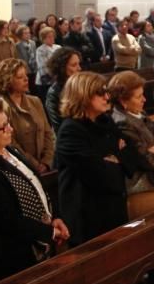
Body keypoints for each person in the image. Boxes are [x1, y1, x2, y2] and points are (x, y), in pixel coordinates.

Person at [0, 96, 69, 281]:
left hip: (37, 238)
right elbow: (8, 220)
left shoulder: (11, 151)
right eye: (3, 127)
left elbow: (38, 188)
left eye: (8, 123)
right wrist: (49, 232)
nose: (10, 129)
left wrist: (55, 217)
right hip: (13, 254)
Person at [54, 72, 138, 246]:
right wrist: (116, 156)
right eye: (100, 93)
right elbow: (98, 174)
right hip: (88, 214)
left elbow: (132, 151)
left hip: (112, 205)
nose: (107, 97)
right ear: (83, 96)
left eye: (106, 91)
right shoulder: (70, 131)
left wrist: (114, 158)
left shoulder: (104, 120)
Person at [108, 71, 154, 218]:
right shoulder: (122, 121)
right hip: (142, 187)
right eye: (139, 96)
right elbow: (145, 160)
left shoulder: (139, 113)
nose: (144, 100)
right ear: (123, 101)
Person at [0, 58, 55, 174]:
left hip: (47, 167)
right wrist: (35, 165)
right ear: (8, 80)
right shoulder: (1, 107)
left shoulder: (35, 101)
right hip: (22, 169)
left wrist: (47, 161)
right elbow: (11, 144)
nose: (26, 79)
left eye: (26, 75)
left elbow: (48, 132)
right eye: (20, 77)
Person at [44, 47, 82, 133]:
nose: (79, 68)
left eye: (79, 64)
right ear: (62, 67)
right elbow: (58, 125)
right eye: (74, 65)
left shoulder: (81, 86)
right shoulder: (53, 93)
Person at [34, 26, 60, 93]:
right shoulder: (40, 50)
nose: (52, 38)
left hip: (58, 79)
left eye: (52, 36)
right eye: (49, 37)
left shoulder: (58, 47)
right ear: (43, 39)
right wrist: (54, 75)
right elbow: (43, 66)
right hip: (45, 81)